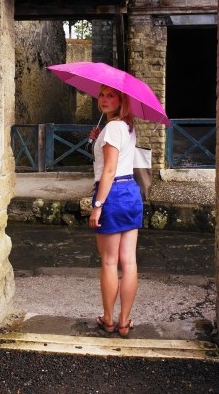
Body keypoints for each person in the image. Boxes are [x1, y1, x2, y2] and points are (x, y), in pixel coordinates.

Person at [88, 85, 143, 337]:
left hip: (112, 194)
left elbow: (109, 170)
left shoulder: (112, 128)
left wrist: (98, 205)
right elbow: (115, 160)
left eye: (111, 95)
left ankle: (109, 320)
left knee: (110, 261)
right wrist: (96, 140)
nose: (104, 99)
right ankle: (125, 321)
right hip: (130, 191)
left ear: (123, 99)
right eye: (101, 95)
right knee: (129, 261)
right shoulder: (127, 127)